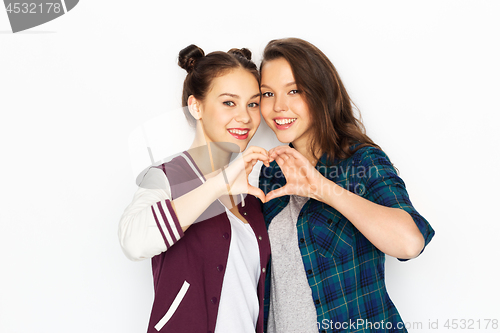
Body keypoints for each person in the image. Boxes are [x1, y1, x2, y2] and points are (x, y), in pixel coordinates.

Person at [258, 38, 435, 333]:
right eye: (267, 93)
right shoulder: (271, 174)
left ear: (320, 93)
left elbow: (410, 242)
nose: (279, 106)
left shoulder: (359, 161)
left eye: (294, 91)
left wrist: (321, 188)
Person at [119, 44, 272, 333]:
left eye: (252, 104)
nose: (245, 117)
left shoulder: (250, 195)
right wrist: (218, 184)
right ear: (196, 106)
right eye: (229, 102)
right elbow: (133, 240)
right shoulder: (166, 178)